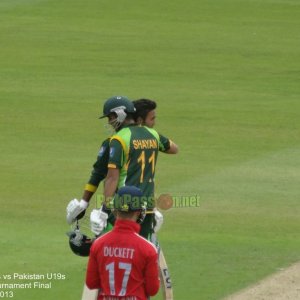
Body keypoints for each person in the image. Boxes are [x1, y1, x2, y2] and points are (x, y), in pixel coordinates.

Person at [66, 96, 178, 238]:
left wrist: (104, 210)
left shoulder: (119, 140)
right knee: (142, 249)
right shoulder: (153, 135)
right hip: (148, 207)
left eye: (110, 118)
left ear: (120, 114)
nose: (109, 122)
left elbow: (112, 178)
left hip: (124, 208)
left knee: (117, 249)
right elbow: (174, 149)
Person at [85, 186, 160, 300]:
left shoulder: (98, 244)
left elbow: (91, 283)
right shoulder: (148, 249)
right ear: (139, 212)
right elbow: (152, 289)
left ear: (115, 210)